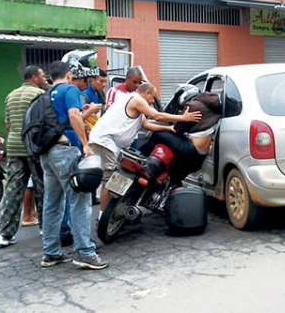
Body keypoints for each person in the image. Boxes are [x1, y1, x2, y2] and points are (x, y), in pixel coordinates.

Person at [89, 82, 201, 215]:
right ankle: (102, 217)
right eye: (152, 97)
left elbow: (147, 125)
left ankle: (114, 212)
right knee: (109, 180)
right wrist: (183, 118)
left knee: (116, 177)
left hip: (108, 142)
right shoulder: (137, 99)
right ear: (146, 93)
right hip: (105, 141)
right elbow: (156, 116)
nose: (153, 101)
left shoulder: (133, 102)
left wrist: (168, 128)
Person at [40, 60, 108, 270]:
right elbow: (73, 115)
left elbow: (67, 118)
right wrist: (86, 145)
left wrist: (82, 112)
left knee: (52, 202)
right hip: (65, 150)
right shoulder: (68, 89)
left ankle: (51, 253)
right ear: (69, 75)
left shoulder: (46, 95)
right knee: (79, 201)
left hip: (47, 152)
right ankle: (84, 252)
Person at [0, 66, 48, 248]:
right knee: (41, 188)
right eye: (42, 76)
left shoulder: (11, 96)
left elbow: (8, 125)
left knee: (12, 190)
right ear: (34, 77)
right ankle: (45, 227)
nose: (44, 78)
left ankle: (4, 234)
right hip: (33, 146)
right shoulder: (39, 95)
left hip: (14, 146)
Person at [140, 89, 222, 186]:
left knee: (158, 135)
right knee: (174, 178)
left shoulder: (192, 106)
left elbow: (178, 129)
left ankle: (140, 158)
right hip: (199, 158)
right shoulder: (215, 111)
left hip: (190, 148)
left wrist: (180, 119)